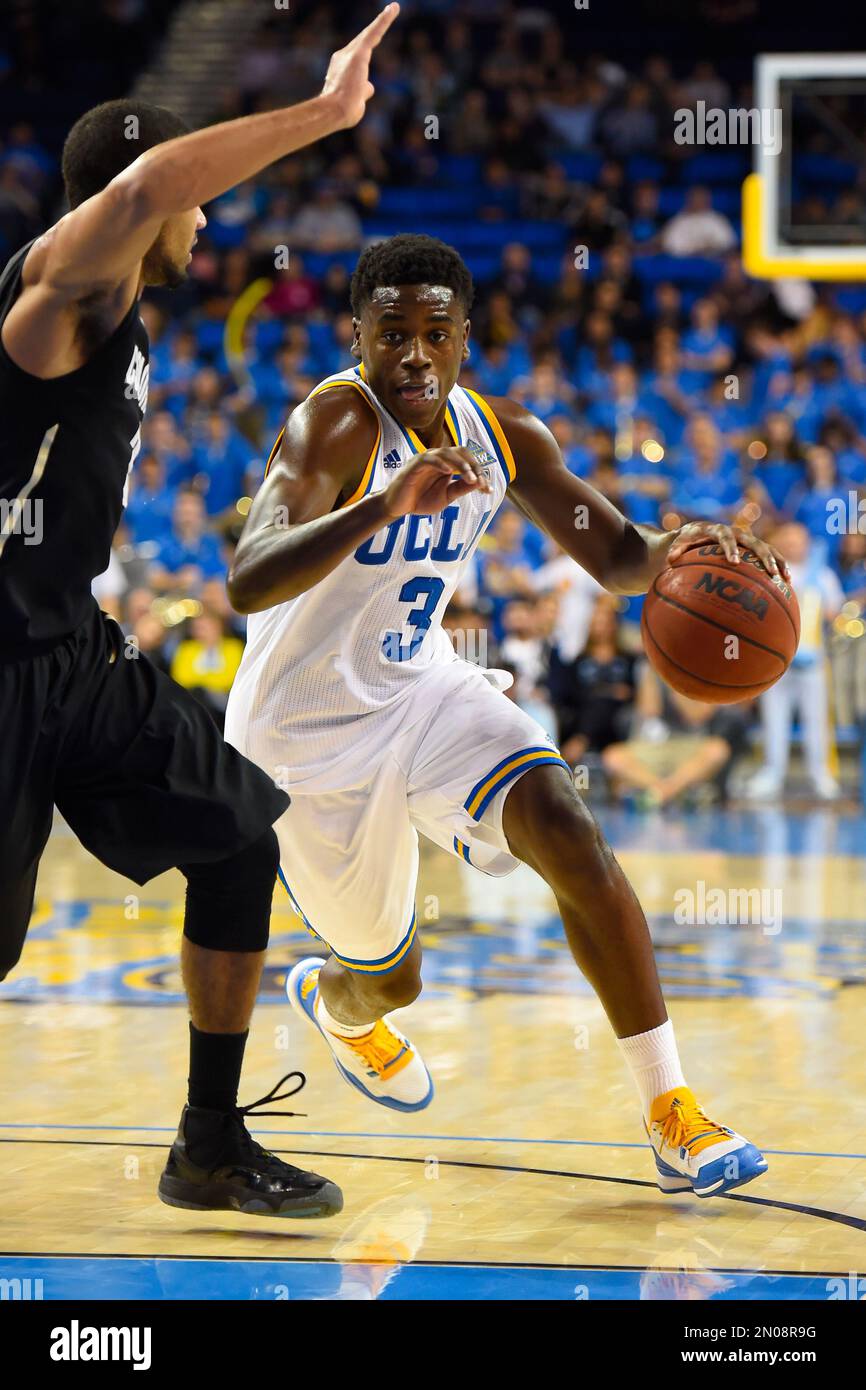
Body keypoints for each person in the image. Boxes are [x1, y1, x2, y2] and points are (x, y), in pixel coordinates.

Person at [225, 232, 788, 1200]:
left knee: (566, 823)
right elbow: (245, 577)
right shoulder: (333, 424)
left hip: (421, 690)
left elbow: (614, 556)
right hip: (302, 744)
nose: (412, 352)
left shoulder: (502, 436)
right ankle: (342, 1003)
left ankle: (669, 1112)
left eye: (434, 332)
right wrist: (383, 505)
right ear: (353, 334)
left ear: (462, 341)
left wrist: (689, 545)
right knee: (390, 977)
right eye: (390, 331)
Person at [0, 1, 402, 1219]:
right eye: (191, 202)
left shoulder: (115, 314)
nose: (209, 218)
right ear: (133, 197)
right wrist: (327, 114)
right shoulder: (45, 304)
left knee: (237, 837)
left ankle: (210, 1144)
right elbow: (146, 190)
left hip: (70, 648)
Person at [746, 522, 843, 801]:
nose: (792, 544)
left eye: (798, 539)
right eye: (787, 538)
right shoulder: (768, 572)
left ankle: (820, 774)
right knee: (774, 721)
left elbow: (833, 613)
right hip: (775, 664)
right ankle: (772, 773)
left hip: (812, 662)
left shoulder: (823, 576)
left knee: (817, 722)